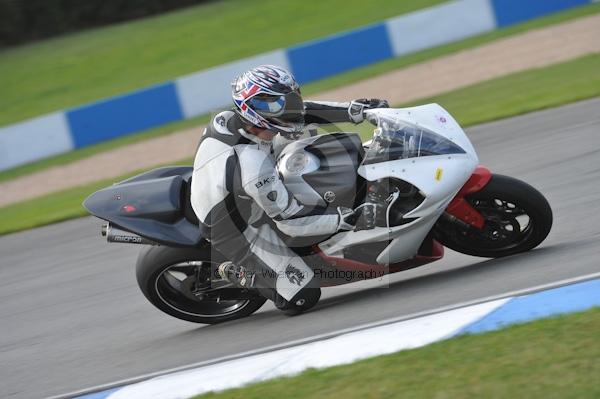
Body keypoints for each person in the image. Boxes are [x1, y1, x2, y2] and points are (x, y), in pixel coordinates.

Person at [190, 64, 388, 315]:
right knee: (303, 296)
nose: (290, 108)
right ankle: (234, 272)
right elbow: (291, 222)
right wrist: (350, 218)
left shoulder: (232, 118)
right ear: (253, 107)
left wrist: (355, 111)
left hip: (233, 187)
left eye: (289, 98)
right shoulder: (253, 169)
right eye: (276, 104)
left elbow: (303, 112)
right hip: (237, 228)